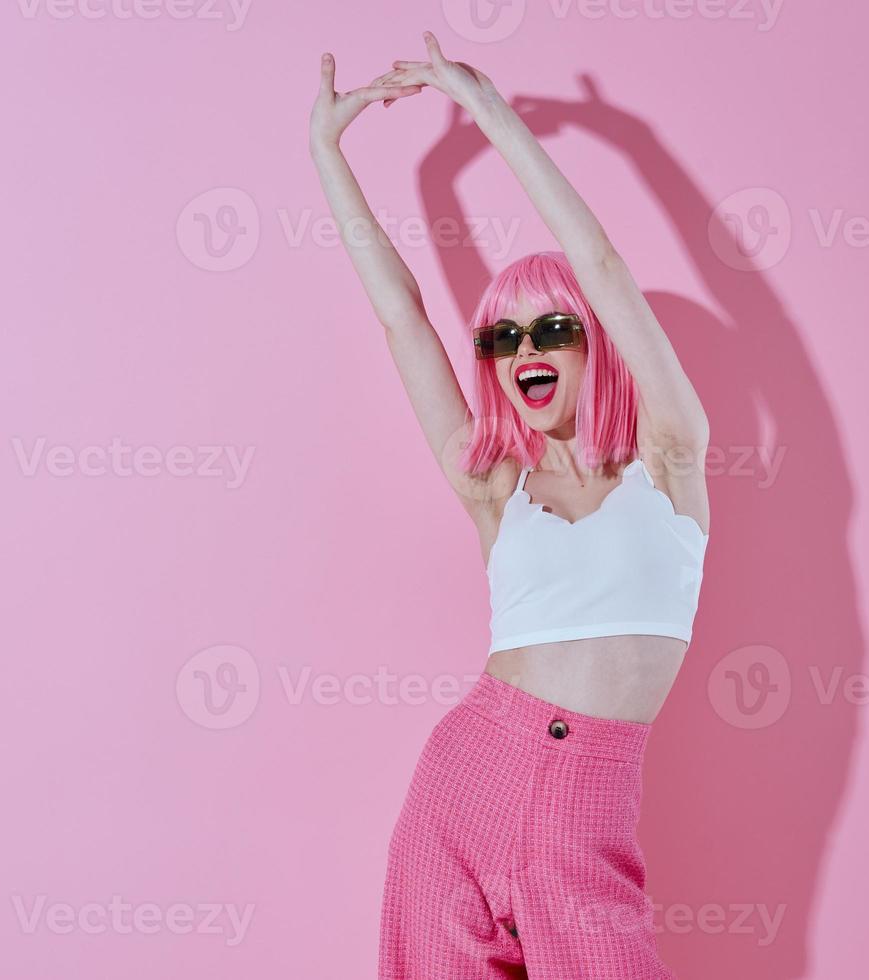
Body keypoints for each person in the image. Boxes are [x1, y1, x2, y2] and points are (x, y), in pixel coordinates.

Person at [309, 31, 712, 979]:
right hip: (466, 780)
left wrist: (490, 113)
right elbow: (403, 314)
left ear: (595, 342)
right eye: (500, 337)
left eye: (553, 328)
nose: (524, 346)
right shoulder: (497, 486)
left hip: (586, 808)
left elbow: (606, 267)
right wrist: (328, 153)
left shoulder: (671, 459)